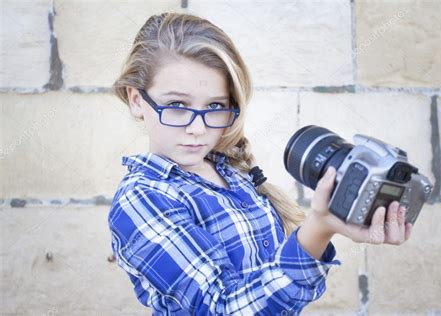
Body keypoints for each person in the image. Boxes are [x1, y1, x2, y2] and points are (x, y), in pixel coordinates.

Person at [108, 12, 412, 315]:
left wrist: (337, 219)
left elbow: (275, 291)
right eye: (177, 105)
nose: (198, 128)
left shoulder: (232, 174)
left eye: (215, 106)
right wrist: (319, 228)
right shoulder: (142, 197)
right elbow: (222, 308)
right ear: (136, 99)